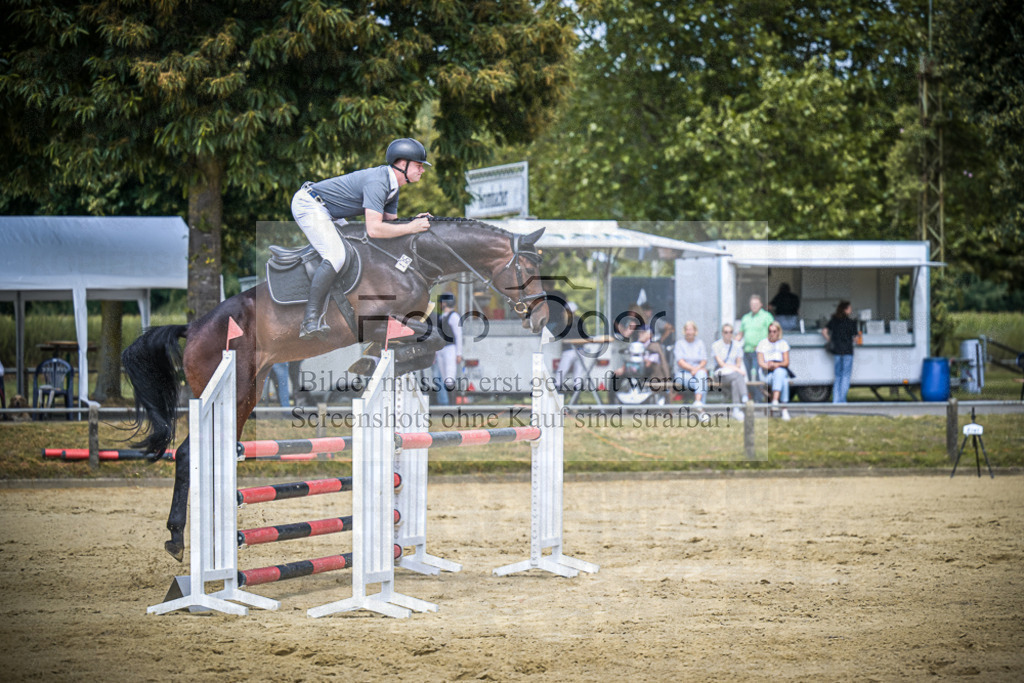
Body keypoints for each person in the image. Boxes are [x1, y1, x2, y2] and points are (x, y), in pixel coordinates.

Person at [291, 138, 433, 340]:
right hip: (309, 204)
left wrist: (413, 222)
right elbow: (374, 229)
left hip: (329, 211)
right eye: (419, 165)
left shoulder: (392, 188)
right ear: (403, 164)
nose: (422, 170)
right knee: (336, 256)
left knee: (358, 251)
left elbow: (391, 225)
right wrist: (411, 227)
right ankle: (310, 320)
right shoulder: (379, 183)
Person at [711, 323, 749, 421]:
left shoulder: (737, 345)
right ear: (722, 333)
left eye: (730, 332)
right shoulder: (716, 345)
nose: (728, 334)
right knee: (738, 375)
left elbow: (738, 363)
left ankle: (736, 409)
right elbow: (721, 364)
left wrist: (736, 369)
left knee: (735, 381)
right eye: (726, 332)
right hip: (720, 373)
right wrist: (737, 369)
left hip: (733, 374)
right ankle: (744, 397)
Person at [823, 300, 858, 403]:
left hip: (837, 351)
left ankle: (836, 400)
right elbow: (856, 339)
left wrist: (830, 340)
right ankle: (842, 400)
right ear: (845, 309)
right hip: (847, 351)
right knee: (845, 376)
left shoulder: (834, 320)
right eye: (850, 308)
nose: (851, 310)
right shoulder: (851, 322)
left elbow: (824, 331)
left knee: (838, 376)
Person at [756, 321, 792, 420]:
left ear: (778, 332)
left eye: (774, 331)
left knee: (781, 375)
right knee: (783, 380)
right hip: (767, 373)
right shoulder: (762, 344)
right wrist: (769, 366)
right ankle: (784, 409)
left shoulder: (783, 344)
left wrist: (776, 365)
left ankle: (775, 401)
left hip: (779, 370)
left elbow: (786, 362)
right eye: (770, 331)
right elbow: (760, 362)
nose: (772, 333)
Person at [736, 294, 774, 383]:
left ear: (761, 305)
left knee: (757, 375)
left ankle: (759, 392)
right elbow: (740, 335)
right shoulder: (746, 317)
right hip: (747, 351)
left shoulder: (767, 316)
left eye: (756, 304)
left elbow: (772, 333)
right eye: (752, 304)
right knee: (749, 377)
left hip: (759, 352)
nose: (754, 306)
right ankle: (755, 392)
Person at [434, 293, 462, 405]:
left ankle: (452, 403)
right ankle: (449, 403)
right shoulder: (442, 317)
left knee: (449, 377)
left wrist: (459, 353)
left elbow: (458, 336)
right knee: (444, 376)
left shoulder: (454, 316)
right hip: (442, 349)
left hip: (450, 348)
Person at [672, 321, 708, 407]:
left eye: (691, 330)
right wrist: (693, 369)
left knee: (702, 375)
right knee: (703, 383)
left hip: (697, 372)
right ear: (684, 331)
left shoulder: (700, 343)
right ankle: (700, 408)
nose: (689, 332)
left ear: (695, 331)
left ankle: (698, 403)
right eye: (687, 330)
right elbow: (680, 362)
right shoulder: (680, 344)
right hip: (682, 373)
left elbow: (704, 360)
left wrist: (697, 369)